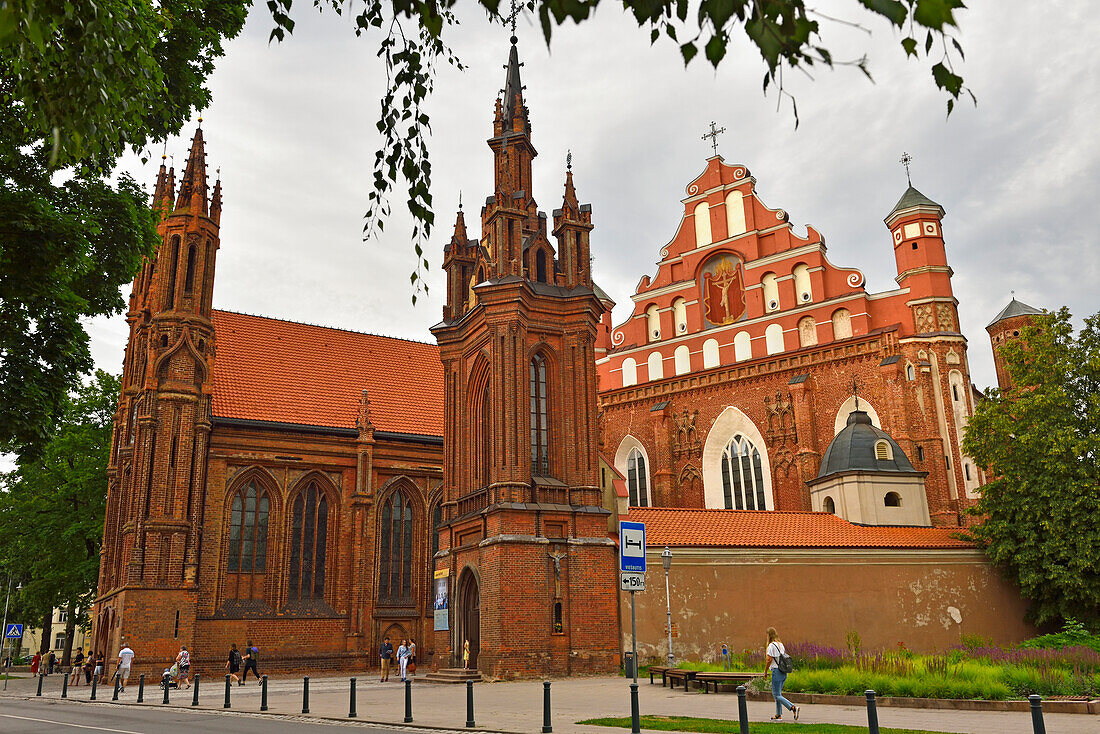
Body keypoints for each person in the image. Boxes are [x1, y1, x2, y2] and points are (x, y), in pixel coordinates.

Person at [764, 627, 799, 721]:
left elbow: (769, 659)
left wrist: (765, 671)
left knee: (776, 695)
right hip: (783, 672)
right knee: (778, 694)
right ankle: (778, 715)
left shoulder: (771, 646)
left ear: (769, 635)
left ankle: (793, 707)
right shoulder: (781, 645)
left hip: (776, 671)